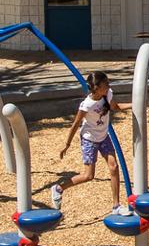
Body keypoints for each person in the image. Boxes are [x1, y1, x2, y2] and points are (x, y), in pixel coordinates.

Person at [51, 71, 130, 217]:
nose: (109, 85)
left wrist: (133, 104)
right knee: (88, 175)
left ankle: (116, 206)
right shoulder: (87, 105)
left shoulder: (108, 94)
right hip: (89, 140)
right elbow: (75, 124)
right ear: (96, 88)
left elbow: (115, 107)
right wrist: (67, 144)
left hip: (103, 137)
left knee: (114, 166)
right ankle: (59, 188)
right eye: (105, 83)